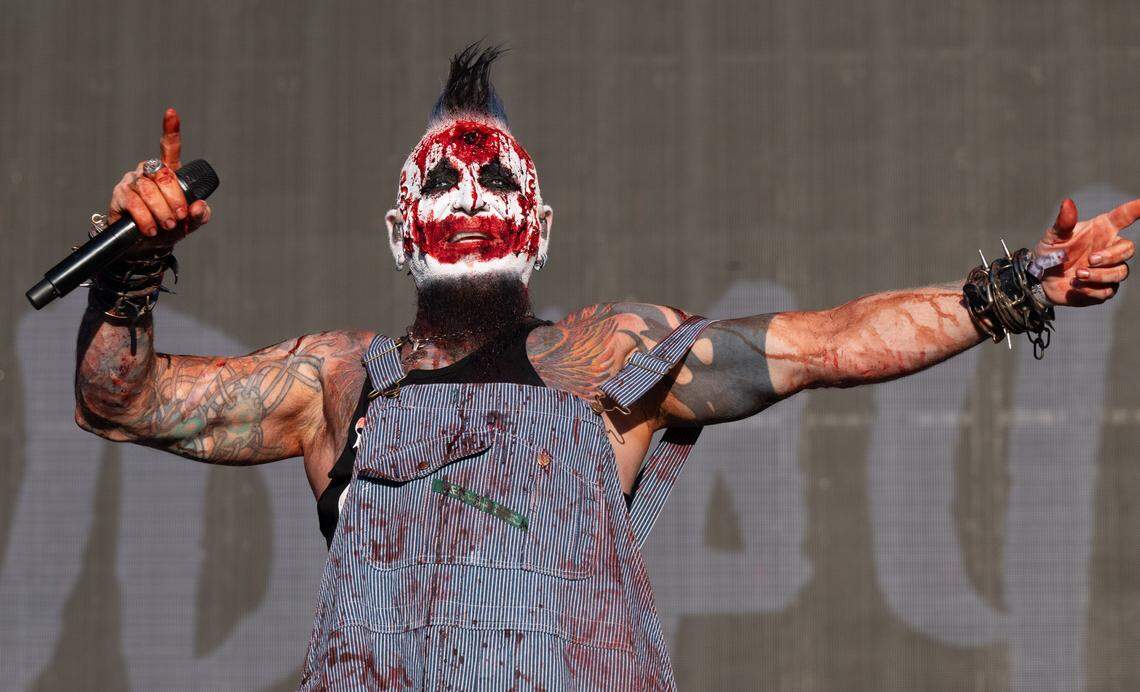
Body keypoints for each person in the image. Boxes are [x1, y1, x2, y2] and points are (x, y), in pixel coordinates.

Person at [74, 44, 1135, 690]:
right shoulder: (332, 385)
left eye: (496, 179)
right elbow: (121, 400)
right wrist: (131, 269)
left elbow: (825, 344)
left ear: (538, 223)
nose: (471, 192)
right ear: (401, 229)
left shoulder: (612, 359)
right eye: (443, 181)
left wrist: (1023, 285)